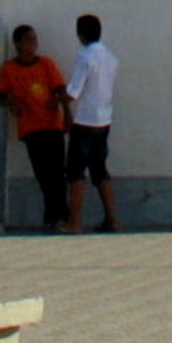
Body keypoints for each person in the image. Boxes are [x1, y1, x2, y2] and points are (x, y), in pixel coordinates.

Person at [0, 24, 68, 231]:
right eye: (28, 40)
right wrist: (11, 103)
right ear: (18, 43)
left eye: (34, 39)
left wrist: (60, 105)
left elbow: (61, 89)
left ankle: (61, 214)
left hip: (52, 125)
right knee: (43, 173)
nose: (33, 44)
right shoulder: (9, 69)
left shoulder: (46, 64)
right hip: (31, 128)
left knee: (58, 171)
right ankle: (52, 213)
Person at [64, 12, 121, 234]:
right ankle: (112, 218)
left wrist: (56, 100)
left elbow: (74, 91)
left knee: (75, 171)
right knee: (99, 169)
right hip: (104, 120)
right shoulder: (111, 58)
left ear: (80, 34)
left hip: (84, 120)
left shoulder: (84, 57)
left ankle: (75, 222)